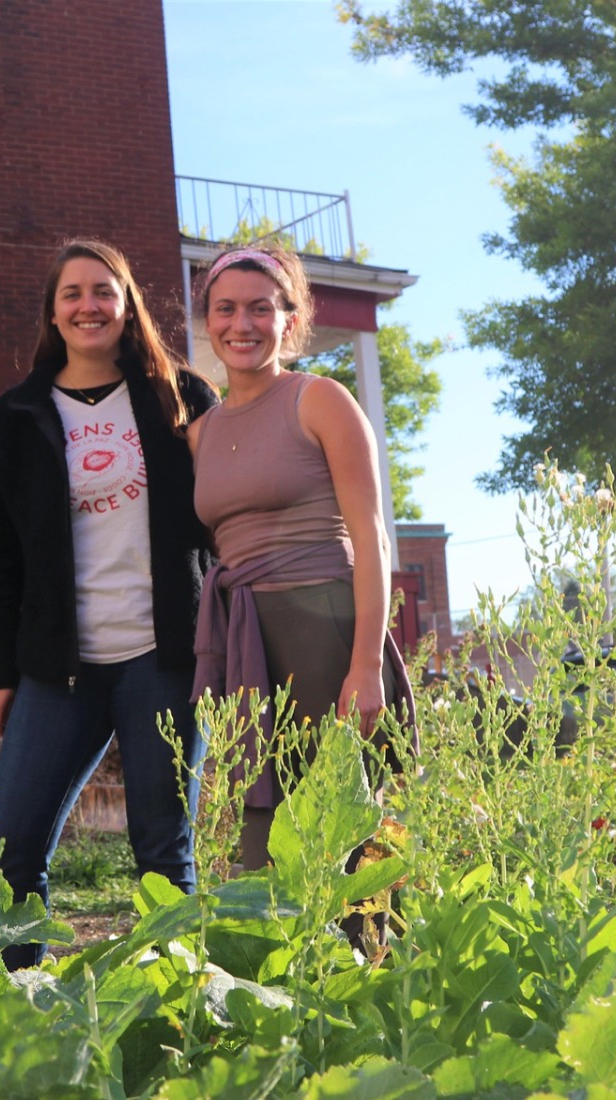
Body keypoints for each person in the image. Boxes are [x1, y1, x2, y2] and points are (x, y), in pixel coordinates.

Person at [0, 238, 217, 969]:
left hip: (164, 659)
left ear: (126, 303)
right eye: (73, 293)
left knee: (162, 854)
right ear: (53, 310)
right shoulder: (17, 415)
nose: (89, 306)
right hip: (58, 667)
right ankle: (22, 1007)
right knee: (12, 844)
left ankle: (170, 1013)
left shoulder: (180, 396)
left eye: (103, 291)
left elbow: (229, 514)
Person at [188, 243, 414, 871]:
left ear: (289, 319)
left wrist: (367, 665)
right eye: (226, 309)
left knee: (347, 841)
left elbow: (371, 537)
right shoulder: (201, 432)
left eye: (261, 309)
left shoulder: (320, 401)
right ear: (208, 321)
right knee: (261, 847)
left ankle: (374, 966)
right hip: (249, 645)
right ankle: (287, 972)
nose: (242, 325)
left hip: (327, 635)